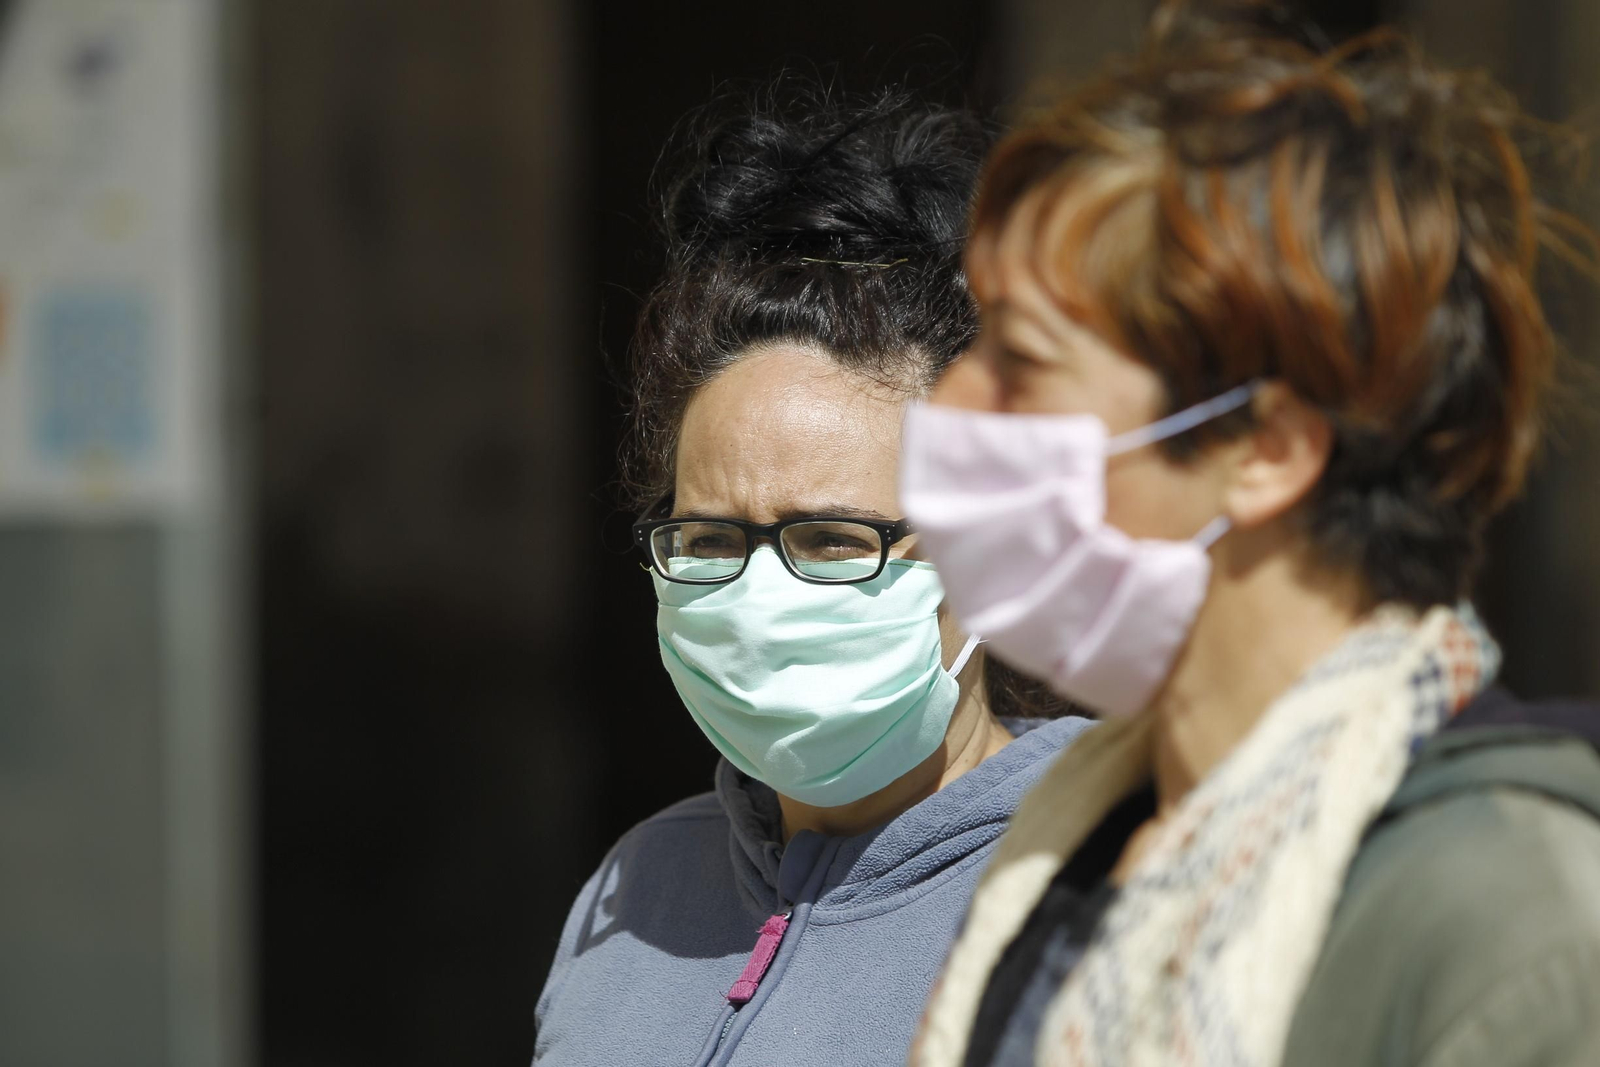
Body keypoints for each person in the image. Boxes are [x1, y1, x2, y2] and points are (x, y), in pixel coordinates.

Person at [897, 4, 1600, 1066]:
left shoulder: (1505, 918)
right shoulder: (1068, 857)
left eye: (1021, 358)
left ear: (1266, 447)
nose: (953, 399)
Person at [533, 84, 1092, 1067]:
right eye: (709, 540)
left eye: (831, 538)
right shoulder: (635, 894)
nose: (758, 597)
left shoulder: (1109, 896)